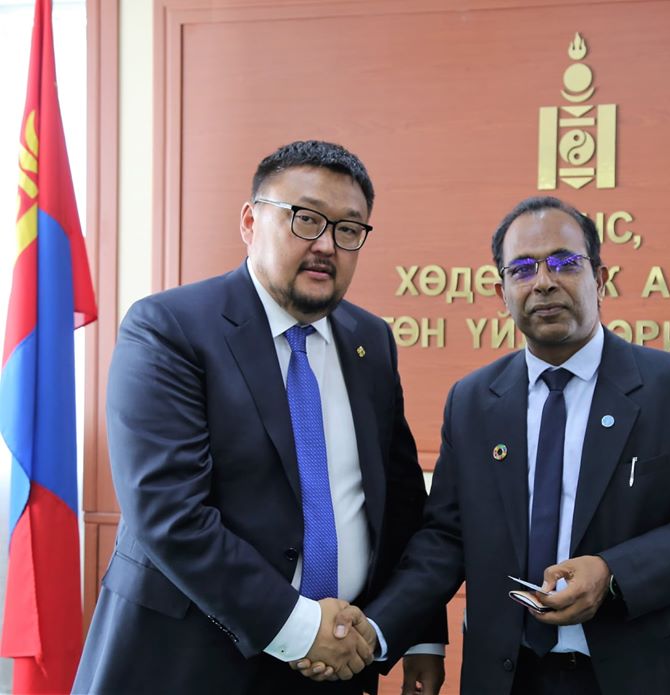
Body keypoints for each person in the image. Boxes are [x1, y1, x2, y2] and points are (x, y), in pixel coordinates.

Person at [300, 195, 670, 694]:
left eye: (564, 263)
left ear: (599, 279)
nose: (543, 281)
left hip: (641, 674)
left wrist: (613, 574)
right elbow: (445, 539)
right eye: (522, 269)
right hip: (507, 677)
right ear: (502, 293)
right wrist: (377, 629)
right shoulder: (473, 401)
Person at [73, 141, 446, 695]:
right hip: (191, 664)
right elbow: (168, 513)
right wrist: (300, 628)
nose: (326, 245)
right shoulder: (169, 328)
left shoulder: (370, 340)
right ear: (250, 222)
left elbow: (400, 501)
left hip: (339, 664)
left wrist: (419, 636)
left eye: (348, 229)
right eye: (306, 219)